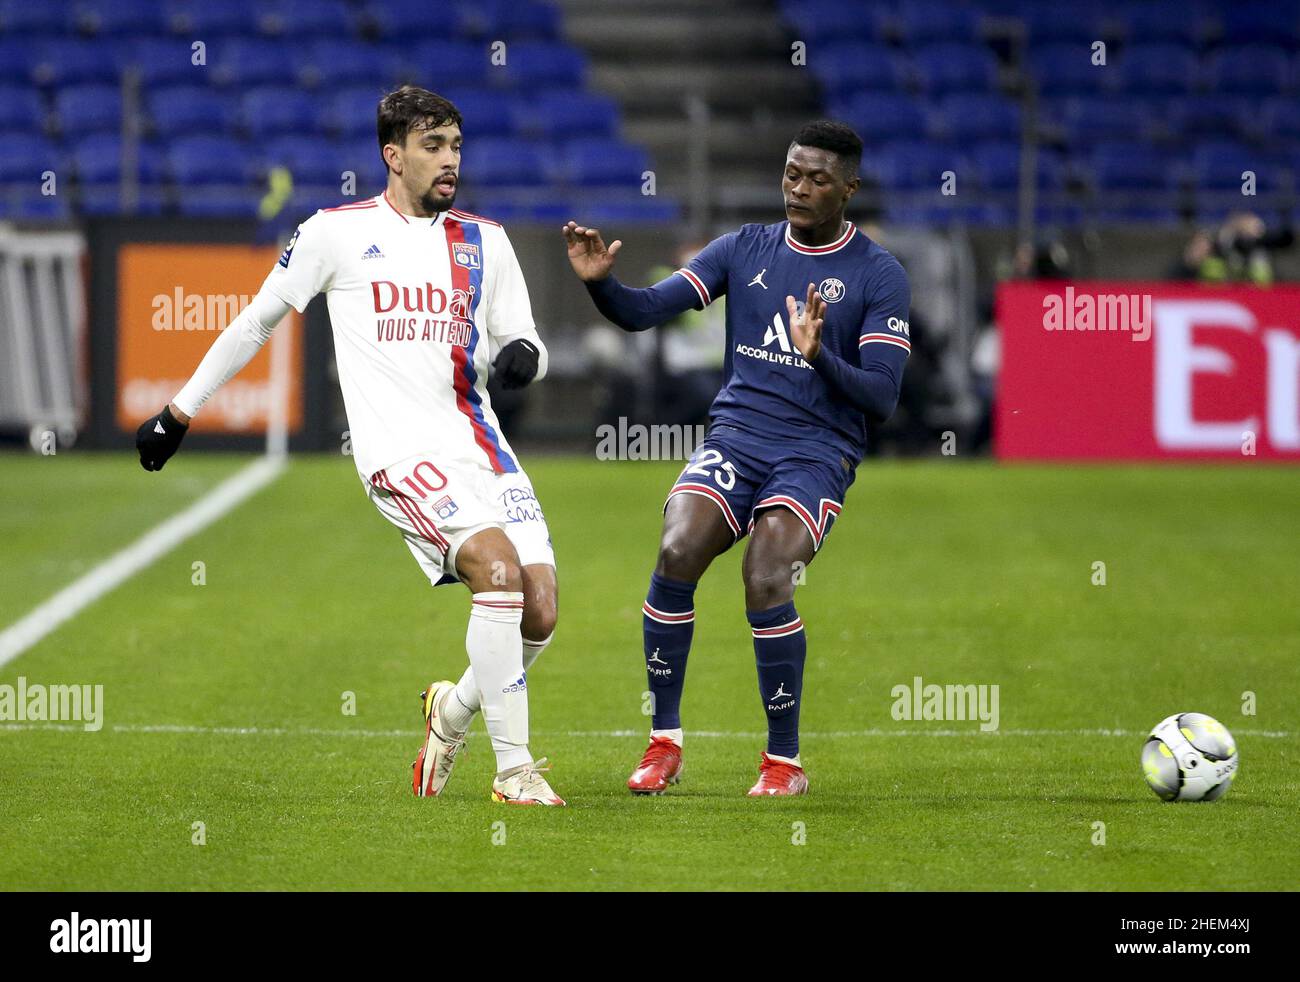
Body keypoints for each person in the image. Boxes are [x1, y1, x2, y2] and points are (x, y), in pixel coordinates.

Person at [134, 86, 565, 806]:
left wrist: (526, 356)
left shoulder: (486, 241)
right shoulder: (333, 234)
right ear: (393, 156)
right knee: (497, 570)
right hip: (399, 455)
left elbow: (527, 341)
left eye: (456, 146)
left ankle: (449, 713)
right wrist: (180, 412)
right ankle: (515, 772)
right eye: (433, 147)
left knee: (541, 608)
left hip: (481, 445)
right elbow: (254, 322)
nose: (449, 161)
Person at [563, 119, 911, 797]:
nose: (798, 188)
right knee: (676, 549)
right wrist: (601, 285)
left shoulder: (877, 274)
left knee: (767, 573)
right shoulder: (743, 248)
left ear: (848, 188)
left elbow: (883, 397)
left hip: (816, 453)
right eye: (791, 173)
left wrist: (821, 356)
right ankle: (664, 742)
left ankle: (784, 762)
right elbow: (642, 311)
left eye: (816, 178)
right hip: (736, 439)